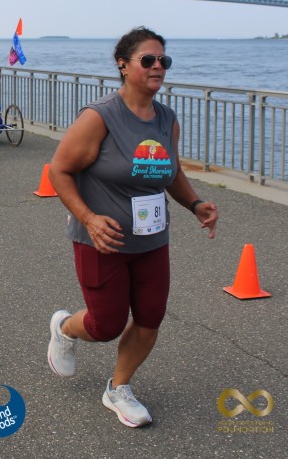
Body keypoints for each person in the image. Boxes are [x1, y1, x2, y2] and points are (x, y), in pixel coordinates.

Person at [46, 26, 219, 428]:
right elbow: (59, 170)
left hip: (152, 239)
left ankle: (119, 388)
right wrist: (89, 218)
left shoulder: (167, 119)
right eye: (148, 60)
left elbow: (170, 172)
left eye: (164, 60)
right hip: (102, 240)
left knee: (150, 317)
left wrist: (195, 204)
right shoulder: (100, 117)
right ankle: (65, 328)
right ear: (123, 65)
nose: (158, 66)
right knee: (105, 325)